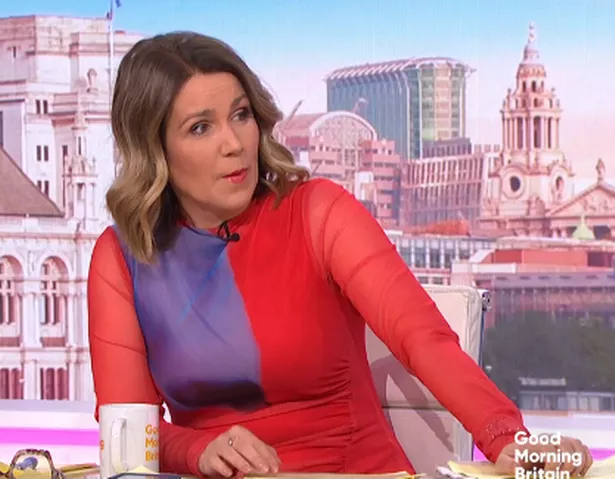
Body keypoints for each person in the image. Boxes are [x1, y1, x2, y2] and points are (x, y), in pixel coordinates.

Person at [87, 31, 593, 479]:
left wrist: (507, 438)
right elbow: (127, 432)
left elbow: (423, 339)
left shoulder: (318, 212)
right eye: (201, 127)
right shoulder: (121, 258)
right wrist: (198, 450)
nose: (234, 143)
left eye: (241, 115)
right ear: (155, 148)